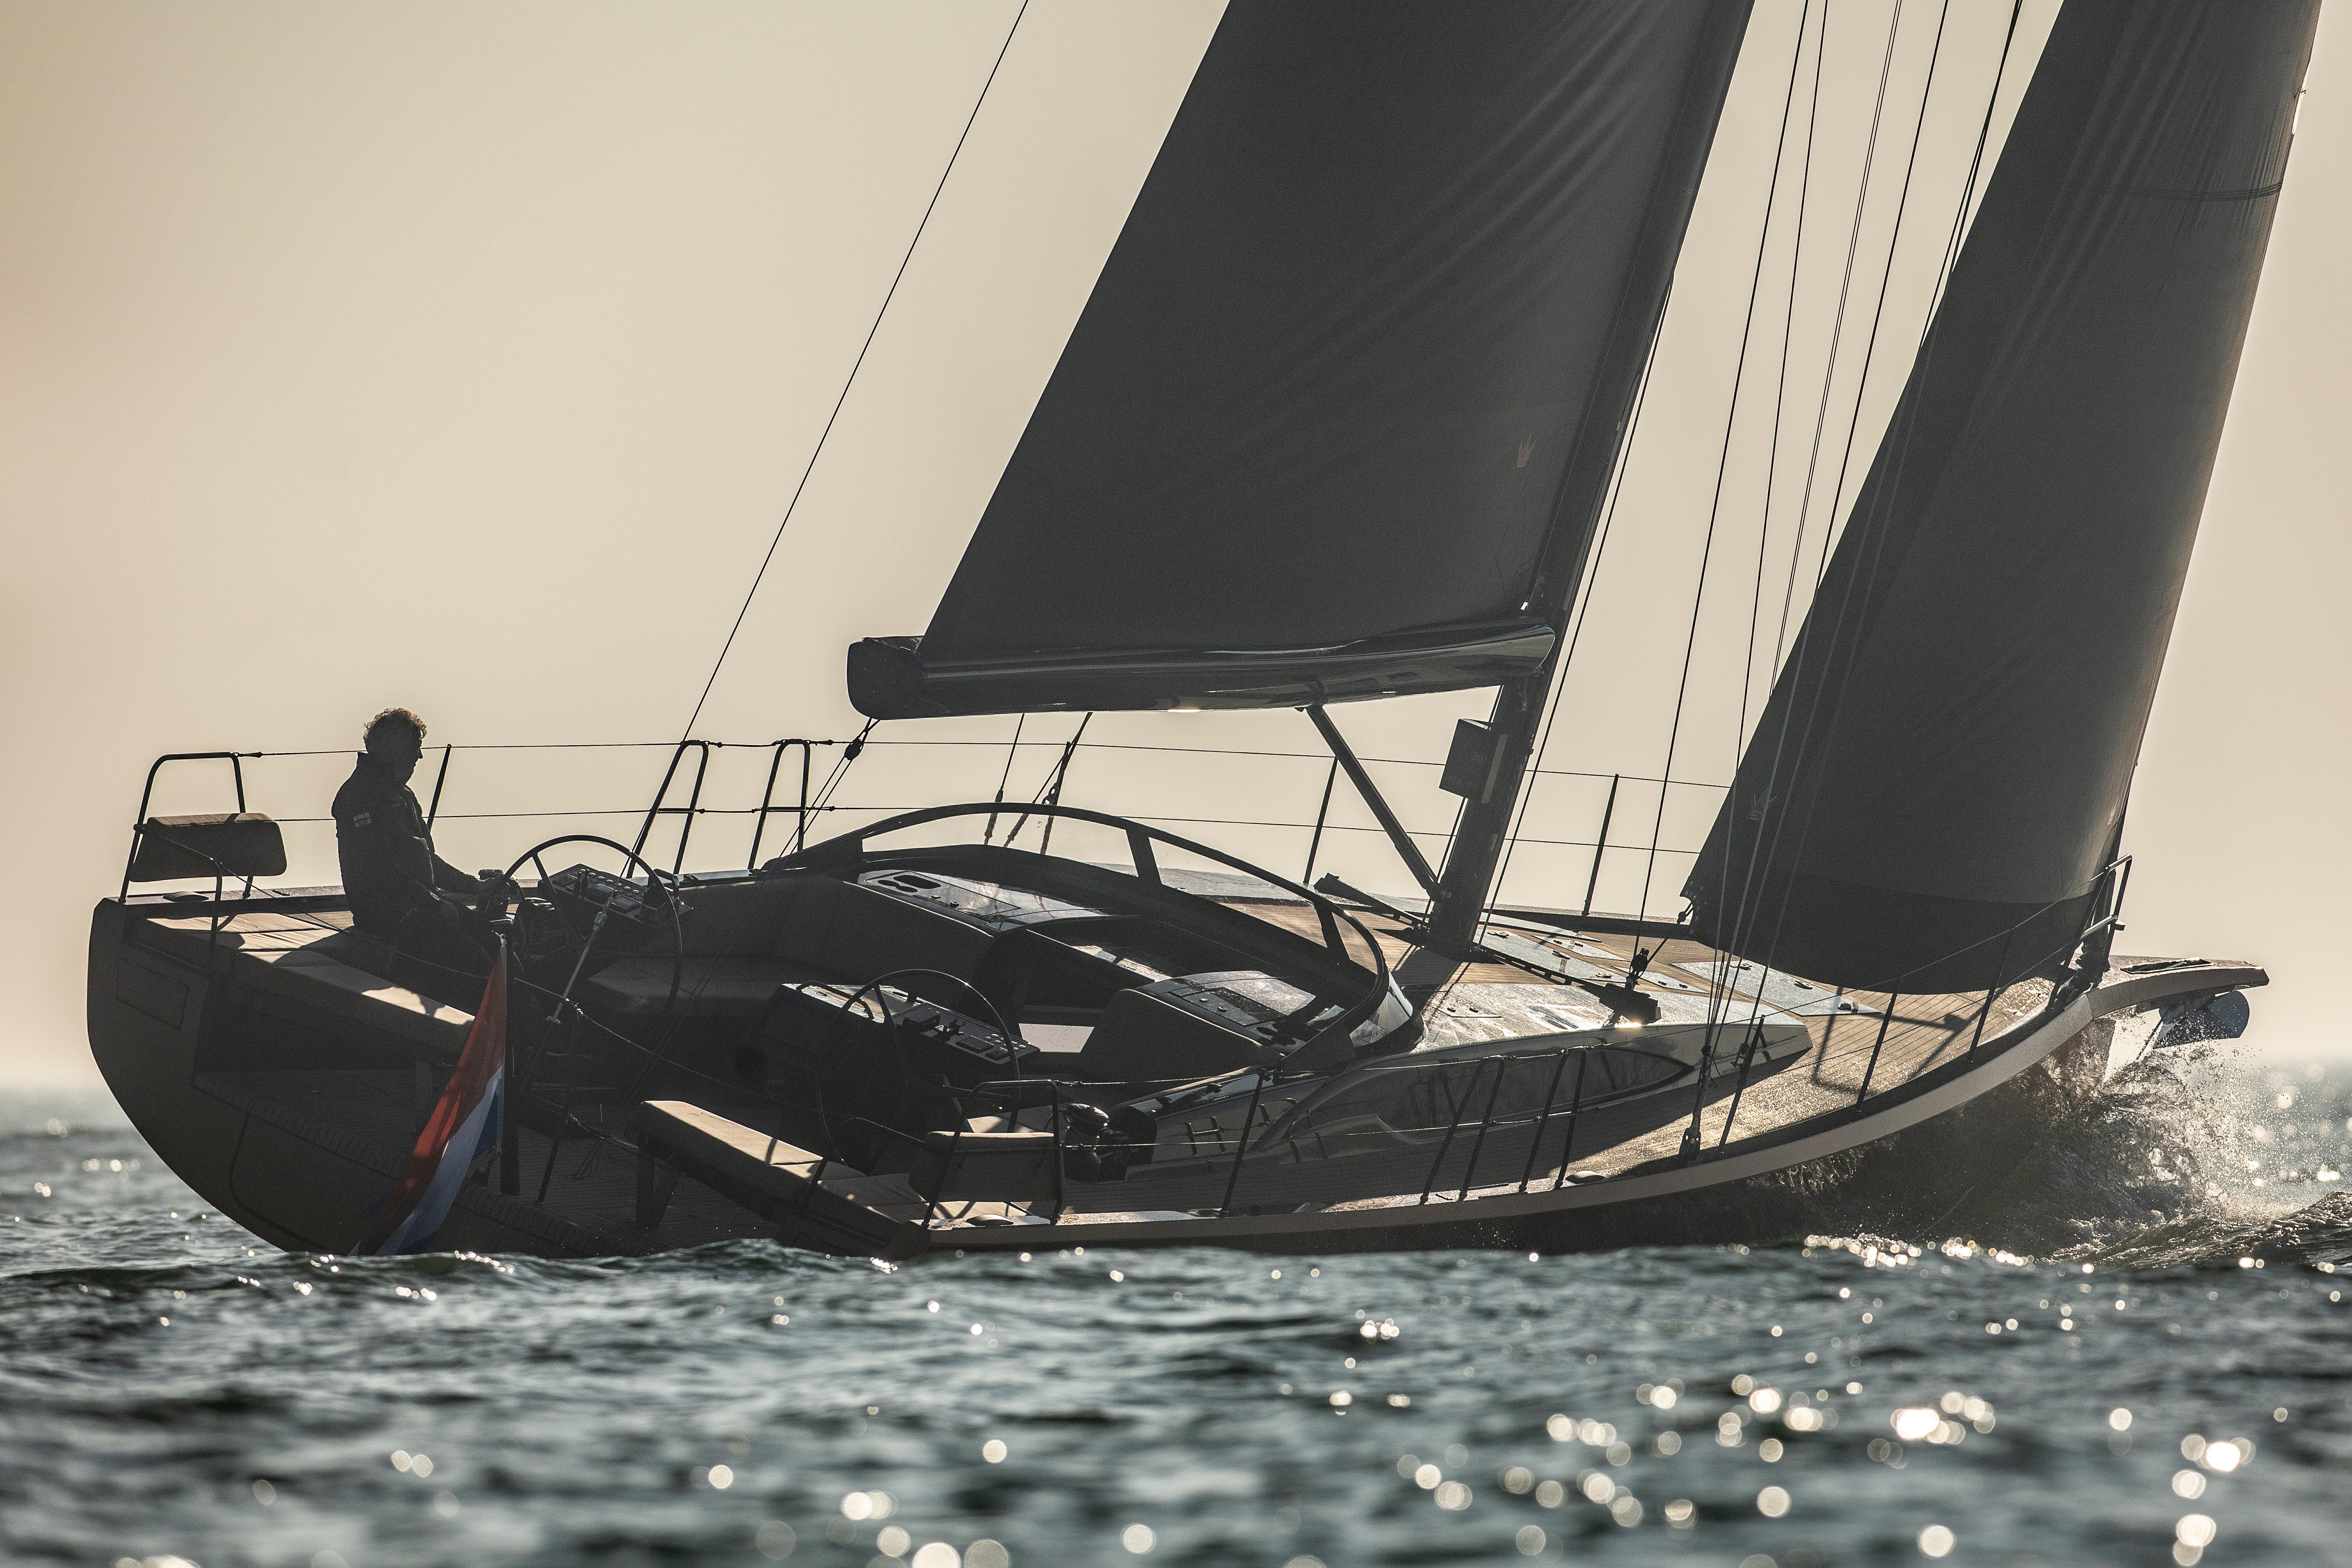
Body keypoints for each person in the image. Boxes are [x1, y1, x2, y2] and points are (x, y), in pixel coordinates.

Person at [332, 708, 503, 1002]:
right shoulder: (359, 796)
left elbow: (428, 861)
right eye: (415, 749)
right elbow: (380, 871)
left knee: (492, 942)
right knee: (473, 960)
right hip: (386, 913)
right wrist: (434, 904)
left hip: (420, 905)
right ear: (392, 750)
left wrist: (475, 887)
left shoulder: (403, 795)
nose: (420, 758)